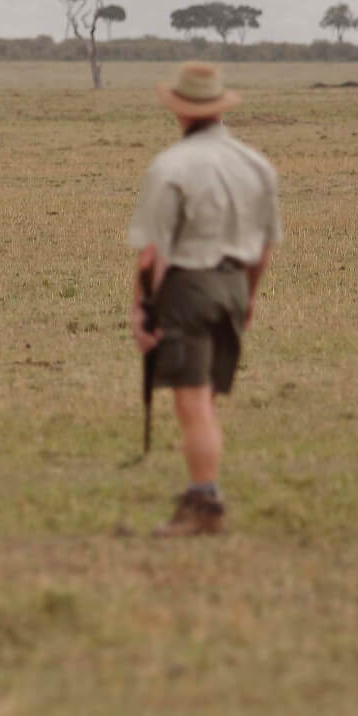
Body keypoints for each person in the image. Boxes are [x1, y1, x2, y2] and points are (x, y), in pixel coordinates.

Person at [127, 62, 281, 536]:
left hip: (189, 287)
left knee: (191, 402)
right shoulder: (257, 165)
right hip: (235, 284)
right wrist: (249, 296)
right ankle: (204, 490)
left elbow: (154, 254)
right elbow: (264, 246)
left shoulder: (171, 166)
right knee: (207, 397)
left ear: (180, 111)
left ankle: (204, 502)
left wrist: (142, 309)